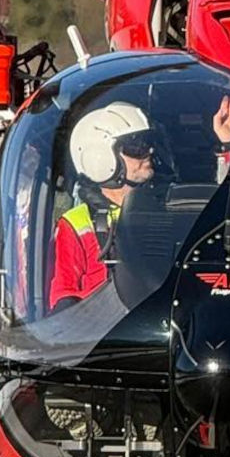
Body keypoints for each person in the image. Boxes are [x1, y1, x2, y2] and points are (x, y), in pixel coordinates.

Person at [51, 102, 159, 310]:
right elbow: (65, 293)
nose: (149, 151)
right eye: (136, 146)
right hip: (103, 334)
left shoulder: (164, 210)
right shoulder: (76, 223)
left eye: (148, 143)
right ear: (101, 157)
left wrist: (228, 147)